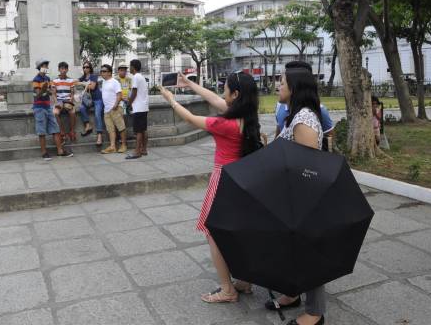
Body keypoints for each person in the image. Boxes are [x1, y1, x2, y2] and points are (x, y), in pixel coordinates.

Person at [158, 71, 262, 304]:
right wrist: (189, 84)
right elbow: (214, 99)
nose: (221, 92)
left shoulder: (225, 124)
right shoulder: (247, 116)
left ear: (235, 94)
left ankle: (227, 290)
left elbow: (191, 119)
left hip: (223, 180)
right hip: (240, 180)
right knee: (236, 234)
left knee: (213, 235)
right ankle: (244, 281)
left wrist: (170, 99)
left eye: (225, 88)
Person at [265, 66, 326, 325]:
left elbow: (307, 168)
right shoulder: (294, 116)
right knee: (292, 250)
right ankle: (292, 294)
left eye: (281, 81)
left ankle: (315, 313)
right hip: (290, 196)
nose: (278, 85)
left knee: (309, 253)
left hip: (303, 199)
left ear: (295, 88)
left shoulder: (304, 121)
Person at [274, 61, 333, 151]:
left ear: (293, 88)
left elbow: (308, 162)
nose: (278, 88)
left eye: (282, 84)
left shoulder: (303, 121)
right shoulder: (296, 114)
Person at [32, 59, 72, 160]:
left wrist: (49, 90)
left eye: (46, 66)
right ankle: (44, 152)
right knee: (41, 131)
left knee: (55, 128)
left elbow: (50, 92)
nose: (46, 68)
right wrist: (43, 89)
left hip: (48, 106)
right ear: (40, 68)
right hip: (39, 107)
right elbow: (37, 95)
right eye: (44, 66)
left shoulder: (48, 78)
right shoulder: (36, 79)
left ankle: (60, 151)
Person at [100, 64, 127, 154]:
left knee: (121, 127)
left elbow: (119, 94)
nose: (102, 73)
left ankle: (123, 145)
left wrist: (115, 105)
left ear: (109, 72)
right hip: (106, 110)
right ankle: (112, 147)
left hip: (115, 108)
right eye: (101, 71)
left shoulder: (114, 82)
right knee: (110, 129)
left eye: (104, 71)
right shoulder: (104, 82)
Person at [126, 59, 149, 159]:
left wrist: (129, 103)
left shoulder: (135, 77)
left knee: (138, 131)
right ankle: (144, 149)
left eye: (130, 66)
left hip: (138, 108)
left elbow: (134, 93)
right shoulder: (141, 77)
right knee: (143, 129)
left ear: (133, 67)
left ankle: (137, 152)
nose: (129, 68)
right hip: (144, 107)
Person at [78, 62, 105, 147]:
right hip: (88, 100)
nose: (85, 69)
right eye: (84, 67)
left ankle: (99, 136)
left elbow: (92, 87)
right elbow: (75, 82)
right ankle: (88, 125)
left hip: (97, 99)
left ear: (90, 68)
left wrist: (83, 83)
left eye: (87, 67)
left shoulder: (93, 76)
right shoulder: (83, 77)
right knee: (81, 108)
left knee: (97, 114)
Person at [52, 61, 77, 142]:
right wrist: (56, 103)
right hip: (59, 100)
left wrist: (70, 101)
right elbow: (53, 94)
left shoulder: (70, 80)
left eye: (65, 69)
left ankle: (72, 131)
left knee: (72, 112)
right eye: (62, 68)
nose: (64, 70)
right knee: (55, 113)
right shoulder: (55, 81)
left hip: (67, 100)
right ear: (59, 69)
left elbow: (72, 93)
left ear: (67, 70)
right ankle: (62, 131)